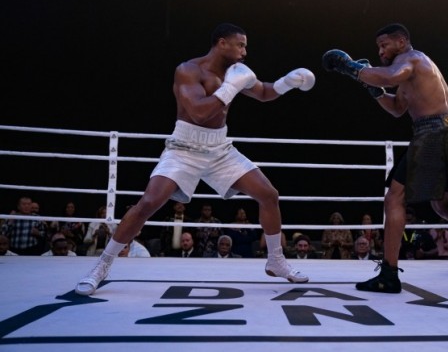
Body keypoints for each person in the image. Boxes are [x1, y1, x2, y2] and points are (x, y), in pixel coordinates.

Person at [74, 23, 314, 295]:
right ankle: (102, 265)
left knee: (268, 195)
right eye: (240, 45)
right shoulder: (188, 70)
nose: (244, 52)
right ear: (222, 43)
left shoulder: (235, 72)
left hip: (219, 148)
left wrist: (288, 82)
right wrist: (230, 88)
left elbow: (263, 93)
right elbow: (199, 113)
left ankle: (276, 261)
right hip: (184, 147)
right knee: (148, 203)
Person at [322, 23, 448, 292]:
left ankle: (389, 274)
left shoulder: (411, 59)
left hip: (433, 132)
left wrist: (351, 68)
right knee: (442, 204)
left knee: (394, 198)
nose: (380, 51)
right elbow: (397, 108)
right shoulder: (411, 72)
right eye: (378, 47)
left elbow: (389, 77)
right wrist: (374, 91)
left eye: (384, 45)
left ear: (402, 41)